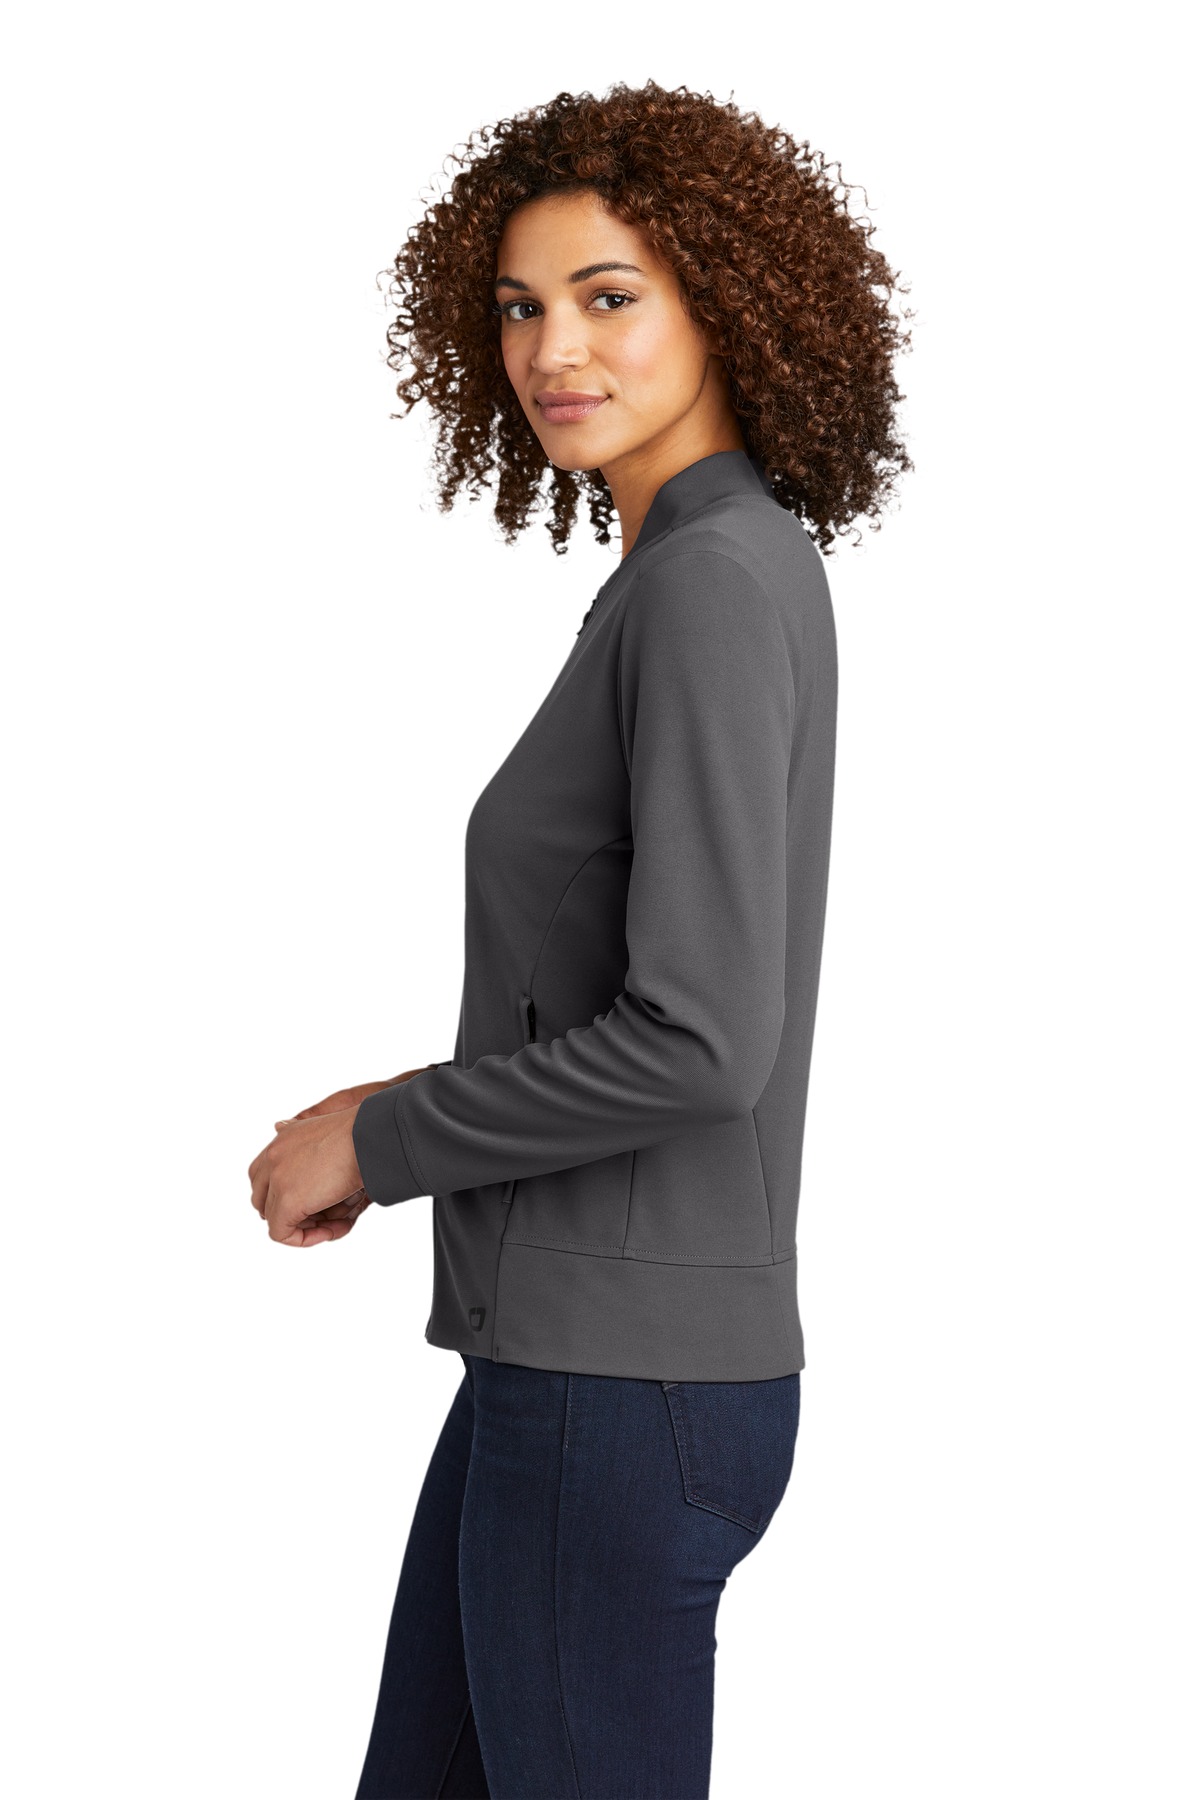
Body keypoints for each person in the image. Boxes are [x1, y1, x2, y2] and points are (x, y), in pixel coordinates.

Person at [248, 78, 911, 1800]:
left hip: (620, 1391)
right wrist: (404, 1107)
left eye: (610, 296)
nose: (555, 349)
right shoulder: (704, 568)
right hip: (573, 1371)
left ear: (726, 301)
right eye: (520, 306)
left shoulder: (709, 585)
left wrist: (385, 1138)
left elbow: (702, 1039)